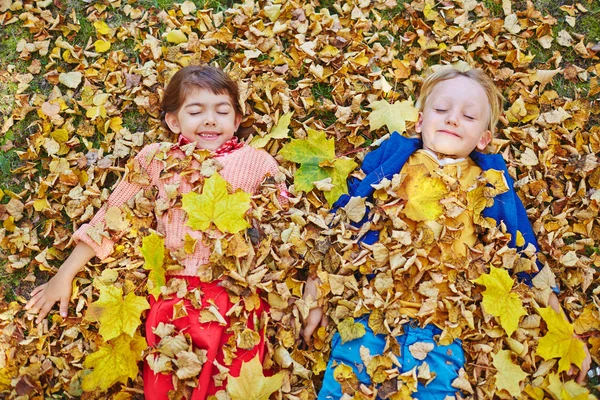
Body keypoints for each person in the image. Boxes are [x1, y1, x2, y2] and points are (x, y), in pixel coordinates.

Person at [302, 66, 591, 399]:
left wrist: (563, 330)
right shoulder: (394, 157)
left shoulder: (490, 182)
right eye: (441, 110)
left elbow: (524, 250)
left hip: (442, 329)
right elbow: (344, 218)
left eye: (468, 116)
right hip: (370, 314)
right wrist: (317, 285)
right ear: (420, 122)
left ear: (484, 138)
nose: (453, 119)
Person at [25, 65, 288, 399]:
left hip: (234, 297)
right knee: (168, 387)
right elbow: (112, 217)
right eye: (196, 111)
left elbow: (286, 225)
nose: (210, 120)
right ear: (173, 121)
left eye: (222, 111)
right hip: (173, 299)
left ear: (236, 121)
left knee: (235, 387)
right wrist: (65, 273)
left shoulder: (258, 162)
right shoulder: (156, 158)